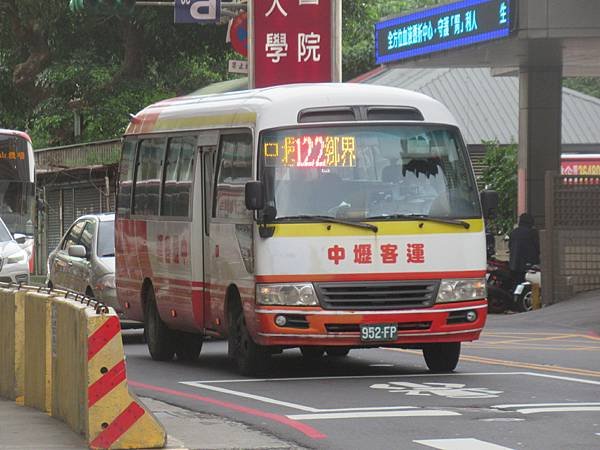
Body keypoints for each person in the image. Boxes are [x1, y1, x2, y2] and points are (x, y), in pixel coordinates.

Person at [509, 213, 540, 284]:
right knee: (532, 285)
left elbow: (510, 246)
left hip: (514, 265)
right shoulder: (532, 233)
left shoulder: (513, 232)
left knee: (516, 284)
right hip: (529, 266)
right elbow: (538, 247)